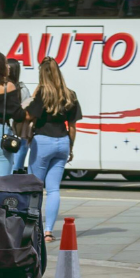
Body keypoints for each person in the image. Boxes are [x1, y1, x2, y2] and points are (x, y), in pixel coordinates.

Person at [26, 57, 83, 239]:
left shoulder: (41, 94)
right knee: (53, 189)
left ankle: (33, 229)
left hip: (42, 141)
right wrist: (70, 147)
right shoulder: (70, 95)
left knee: (34, 188)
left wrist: (34, 94)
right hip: (62, 142)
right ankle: (48, 231)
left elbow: (28, 116)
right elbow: (72, 126)